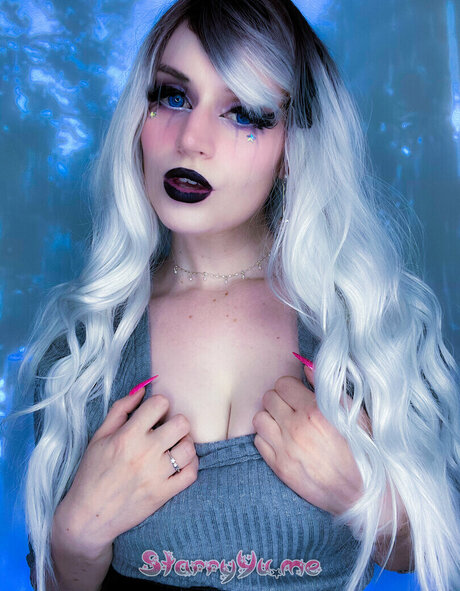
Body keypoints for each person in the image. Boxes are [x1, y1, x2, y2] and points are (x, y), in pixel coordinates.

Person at [11, 0, 460, 589]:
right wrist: (75, 535)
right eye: (173, 97)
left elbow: (429, 554)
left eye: (244, 112)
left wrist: (368, 499)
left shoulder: (367, 325)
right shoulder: (87, 347)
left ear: (291, 150)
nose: (191, 140)